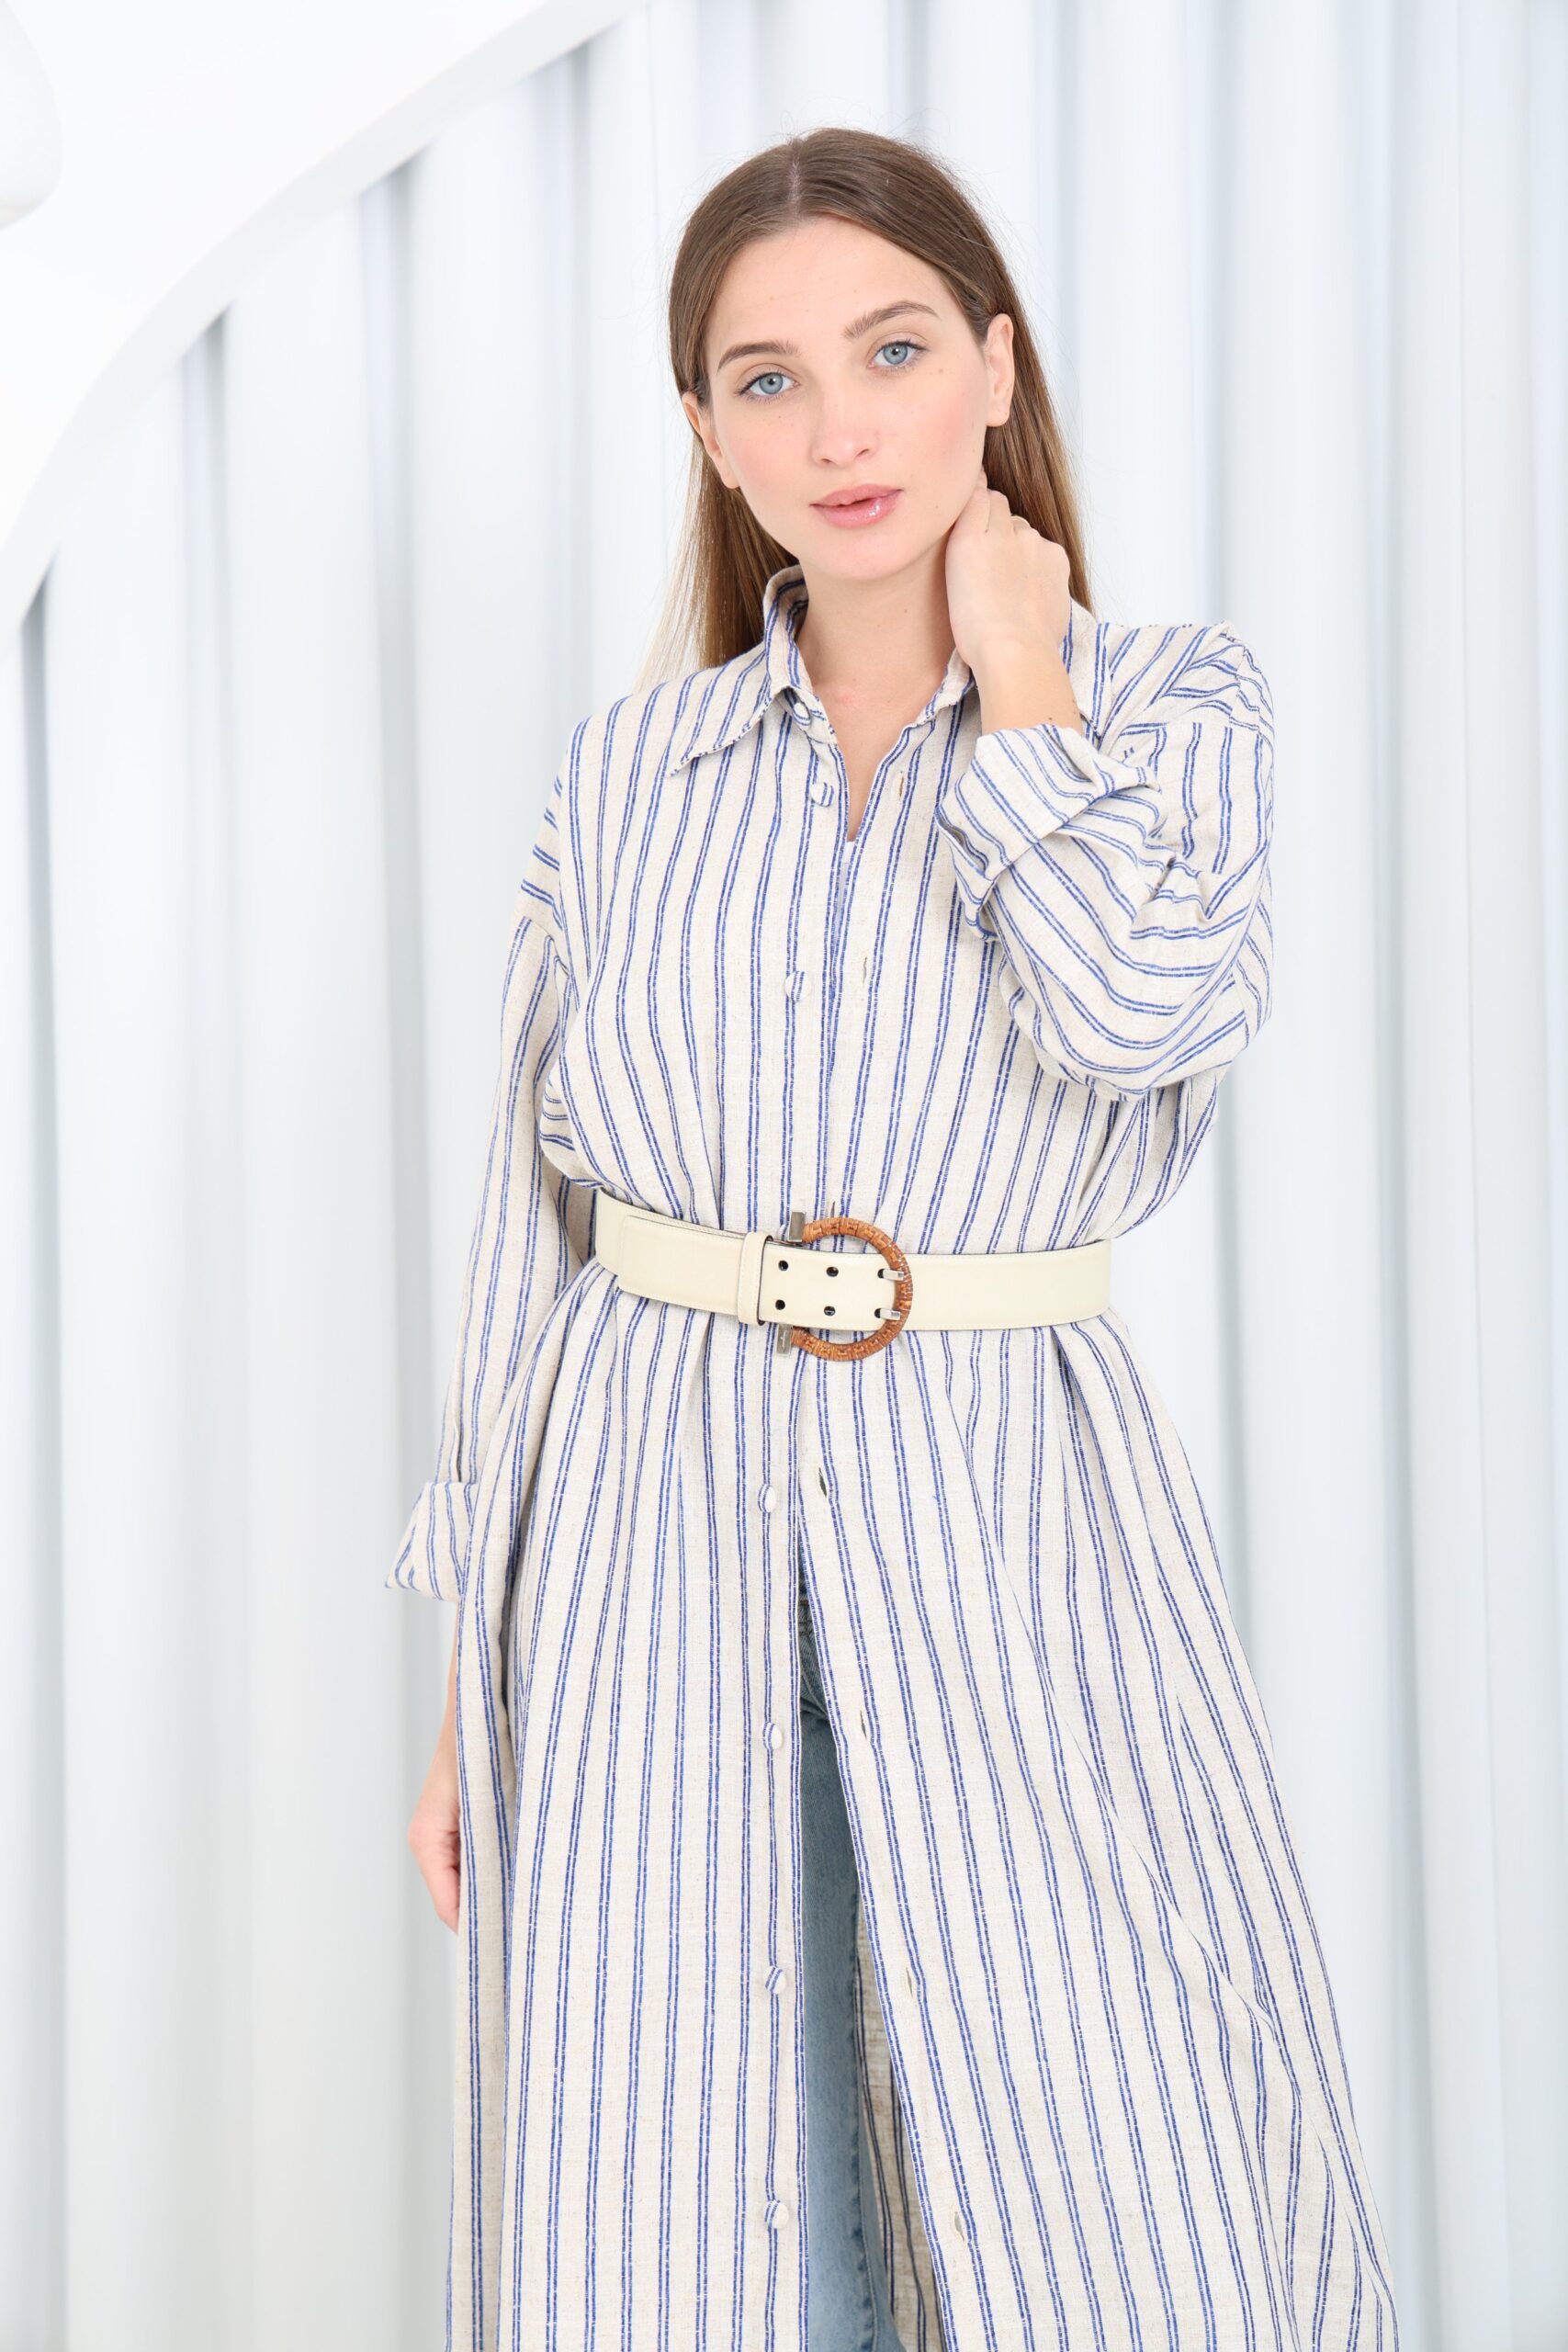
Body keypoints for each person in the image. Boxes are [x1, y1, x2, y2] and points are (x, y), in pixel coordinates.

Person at [390, 125, 1402, 2352]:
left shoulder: (1170, 707)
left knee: (1081, 2144)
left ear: (991, 368)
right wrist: (467, 1666)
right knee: (687, 2166)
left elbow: (1142, 1017)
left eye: (891, 351)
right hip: (641, 1524)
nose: (836, 428)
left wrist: (1020, 681)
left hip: (1011, 1504)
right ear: (705, 432)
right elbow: (530, 1227)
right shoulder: (628, 772)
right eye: (764, 379)